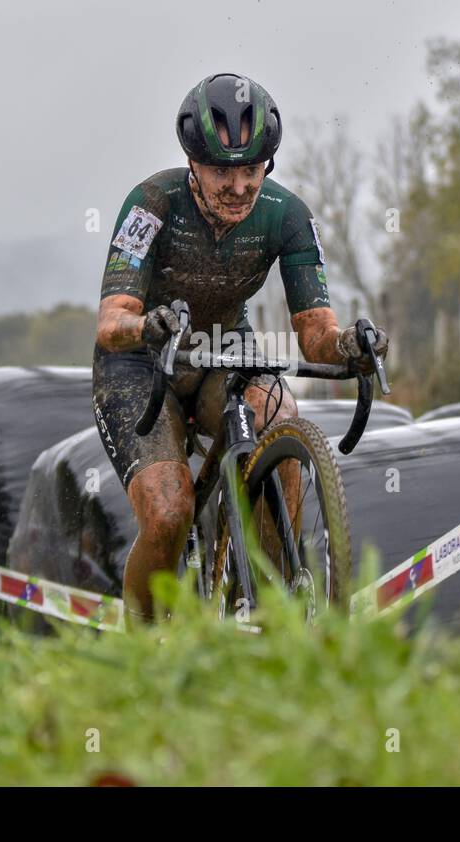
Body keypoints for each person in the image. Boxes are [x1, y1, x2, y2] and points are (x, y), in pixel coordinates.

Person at [91, 72, 389, 624]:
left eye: (251, 170)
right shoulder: (151, 202)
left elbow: (316, 333)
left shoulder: (288, 215)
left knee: (280, 414)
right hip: (141, 358)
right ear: (192, 164)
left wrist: (350, 344)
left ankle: (270, 609)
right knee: (168, 510)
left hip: (222, 350)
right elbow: (112, 322)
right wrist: (145, 327)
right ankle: (140, 644)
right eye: (223, 172)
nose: (239, 187)